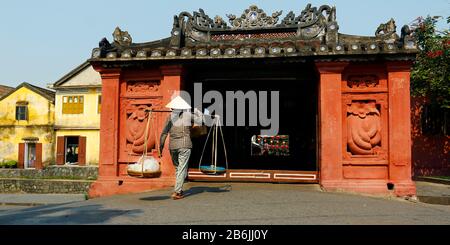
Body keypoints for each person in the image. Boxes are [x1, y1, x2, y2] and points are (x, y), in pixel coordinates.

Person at [160, 96, 203, 200]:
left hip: (173, 146)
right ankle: (177, 191)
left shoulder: (170, 117)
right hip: (185, 145)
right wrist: (198, 112)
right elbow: (201, 120)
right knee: (181, 168)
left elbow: (164, 133)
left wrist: (160, 147)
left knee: (178, 168)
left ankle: (178, 187)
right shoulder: (188, 115)